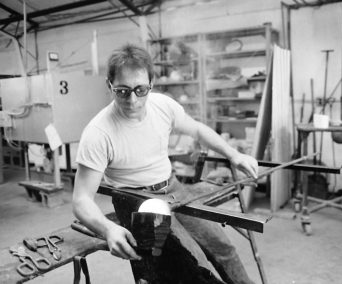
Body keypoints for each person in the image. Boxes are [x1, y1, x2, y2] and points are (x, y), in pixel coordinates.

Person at [72, 43, 259, 284]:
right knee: (195, 264)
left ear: (151, 84)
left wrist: (234, 155)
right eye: (122, 91)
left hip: (173, 189)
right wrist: (108, 229)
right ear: (110, 86)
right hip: (136, 200)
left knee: (224, 249)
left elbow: (198, 130)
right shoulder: (98, 133)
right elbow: (81, 200)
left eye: (140, 90)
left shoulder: (162, 106)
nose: (132, 100)